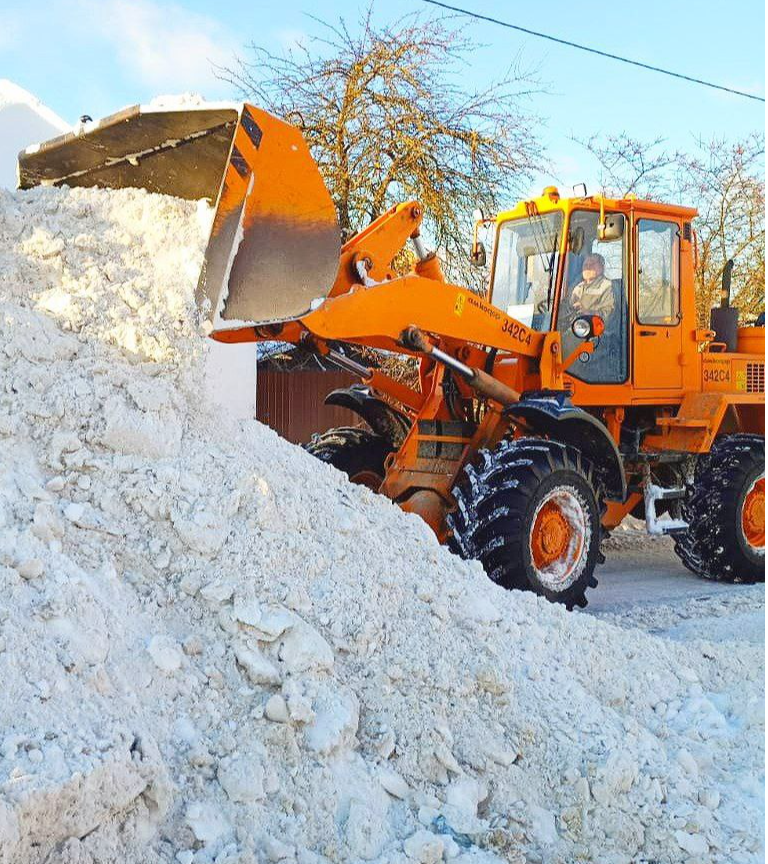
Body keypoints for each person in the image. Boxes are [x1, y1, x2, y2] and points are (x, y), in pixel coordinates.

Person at [569, 253, 615, 319]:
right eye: (585, 264)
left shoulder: (607, 286)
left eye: (592, 264)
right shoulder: (577, 287)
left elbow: (610, 314)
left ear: (601, 267)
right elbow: (565, 308)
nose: (587, 267)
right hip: (573, 326)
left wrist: (588, 313)